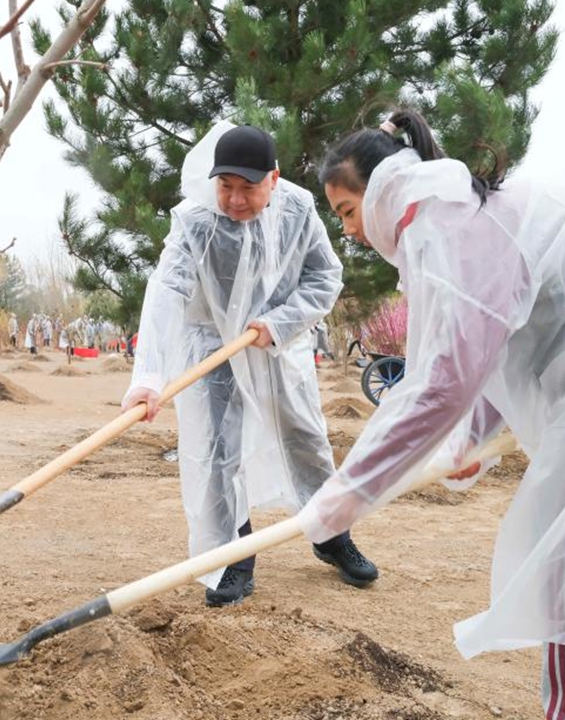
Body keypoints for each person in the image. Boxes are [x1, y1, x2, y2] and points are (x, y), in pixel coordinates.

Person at [302, 111, 565, 720]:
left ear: (382, 186)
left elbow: (441, 384)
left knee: (560, 548)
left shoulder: (441, 226)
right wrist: (470, 442)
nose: (353, 232)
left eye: (346, 211)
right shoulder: (457, 211)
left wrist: (348, 492)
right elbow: (496, 354)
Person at [122, 122, 379, 608]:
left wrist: (280, 322)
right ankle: (232, 559)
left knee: (305, 439)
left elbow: (325, 275)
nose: (235, 200)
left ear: (274, 179)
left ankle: (331, 535)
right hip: (212, 349)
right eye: (226, 187)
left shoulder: (299, 209)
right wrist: (149, 377)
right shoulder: (195, 220)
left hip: (276, 346)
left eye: (248, 188)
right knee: (219, 453)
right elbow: (166, 292)